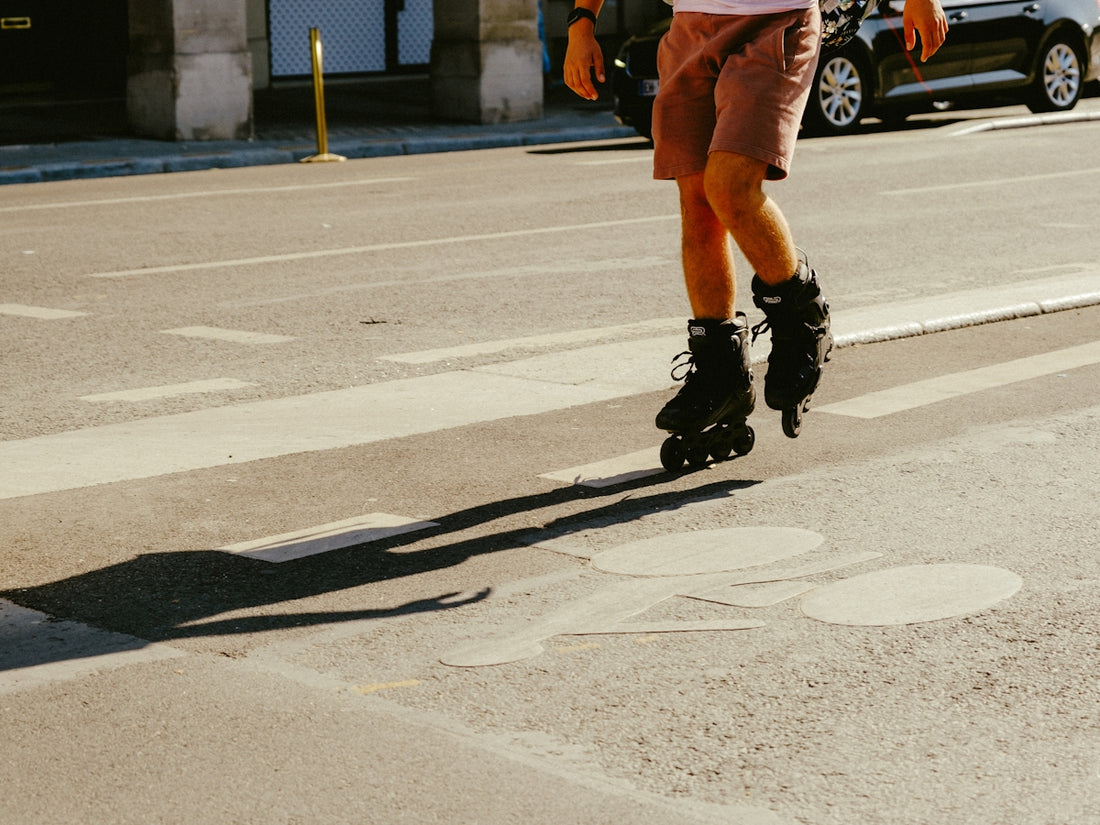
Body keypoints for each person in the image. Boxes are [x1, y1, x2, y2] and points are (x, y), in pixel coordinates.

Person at [563, 0, 947, 452]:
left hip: (775, 20)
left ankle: (802, 316)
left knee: (729, 186)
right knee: (698, 204)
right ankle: (719, 373)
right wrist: (581, 23)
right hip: (690, 25)